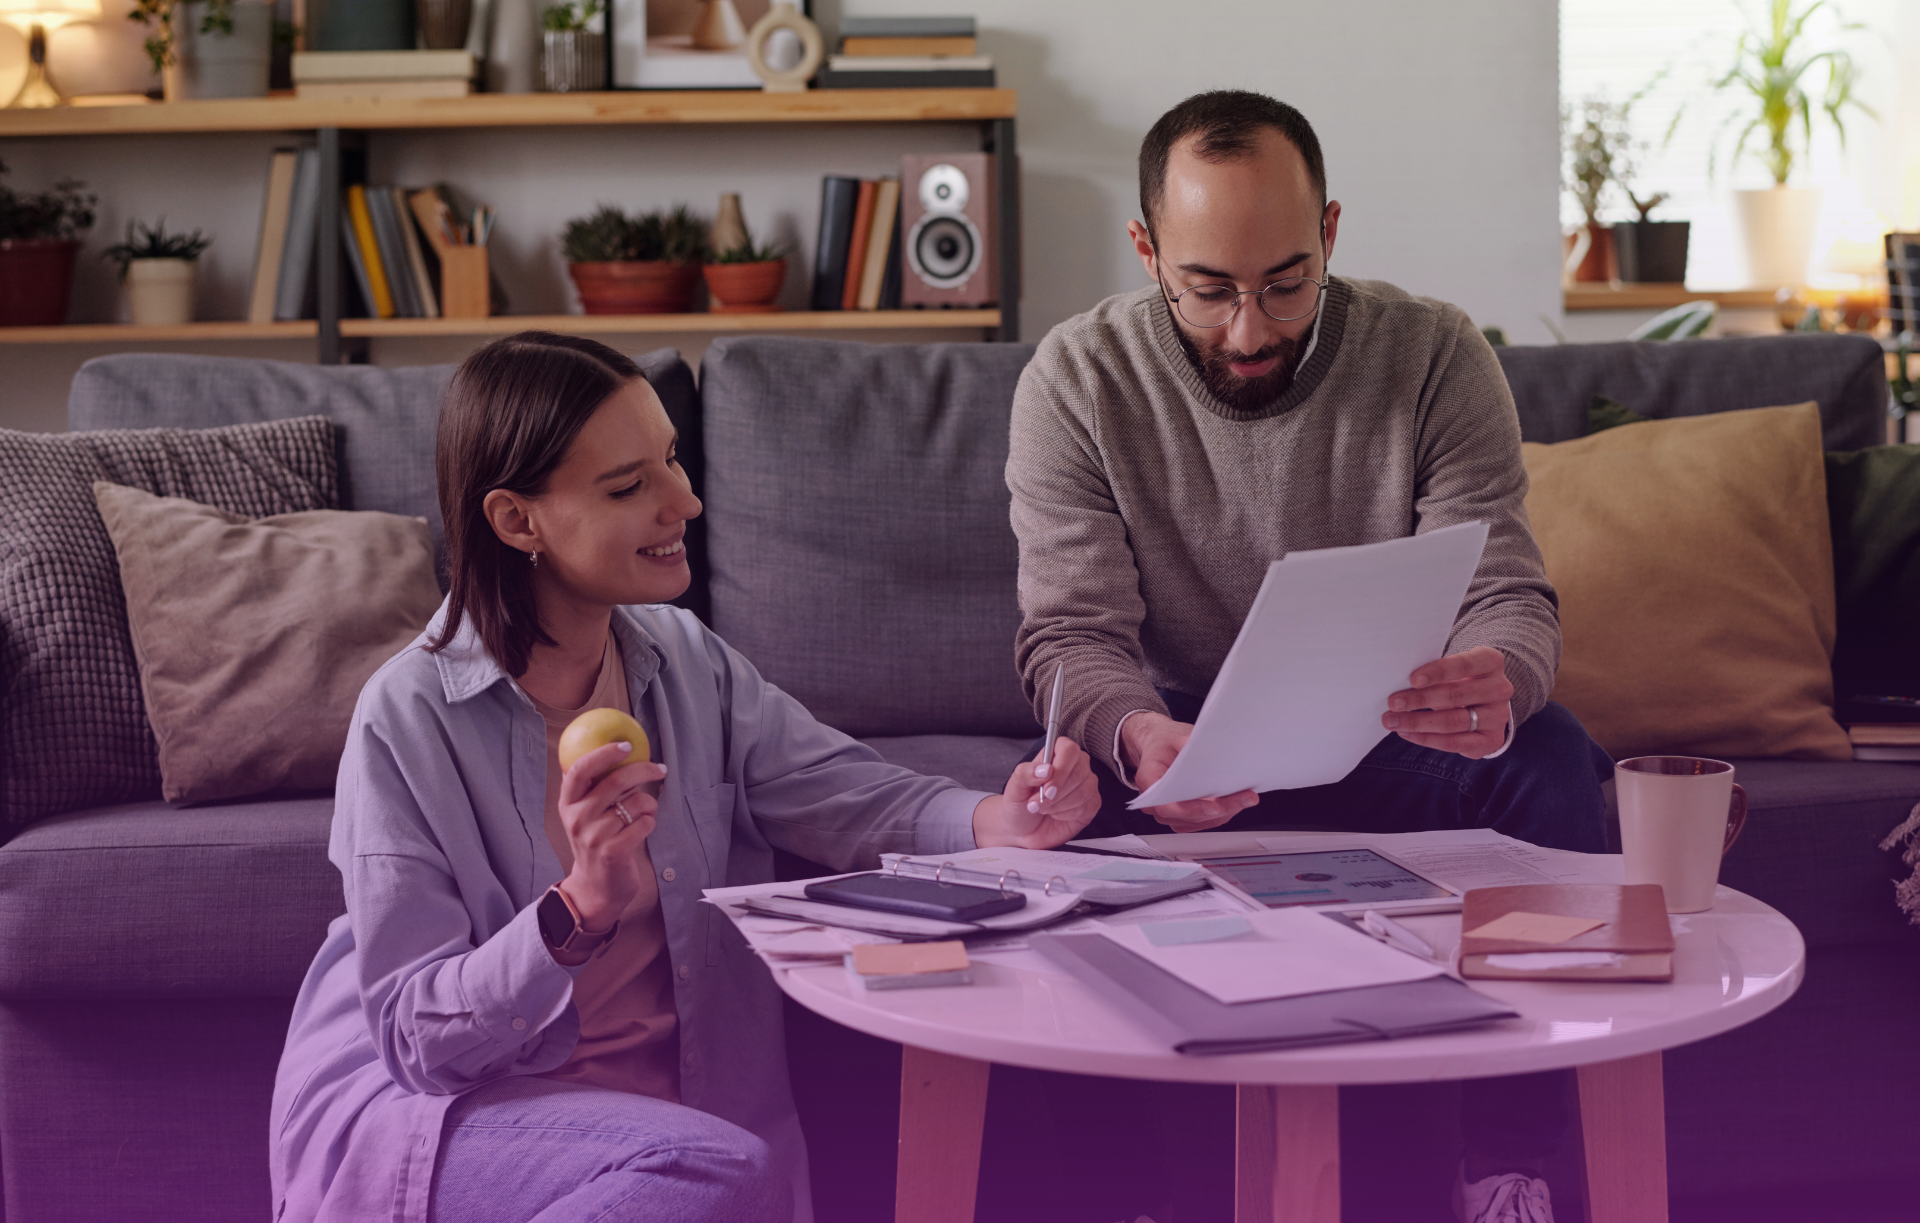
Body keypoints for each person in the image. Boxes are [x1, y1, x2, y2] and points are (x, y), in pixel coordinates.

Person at [269, 331, 1100, 1223]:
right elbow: (414, 1043)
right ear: (518, 521)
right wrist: (577, 906)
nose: (687, 501)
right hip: (462, 1115)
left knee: (713, 1172)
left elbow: (843, 790)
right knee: (709, 1173)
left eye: (669, 460)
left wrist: (997, 822)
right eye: (630, 486)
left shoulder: (684, 660)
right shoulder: (407, 717)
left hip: (687, 1136)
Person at [1005, 91, 1613, 1223]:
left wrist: (1497, 678)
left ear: (1330, 231)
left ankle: (1508, 1173)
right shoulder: (1075, 378)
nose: (1250, 328)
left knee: (1552, 754)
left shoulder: (1434, 352)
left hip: (1381, 730)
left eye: (1287, 281)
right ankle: (1122, 1198)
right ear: (1147, 251)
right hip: (1180, 747)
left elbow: (1508, 589)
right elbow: (1070, 637)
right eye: (1208, 289)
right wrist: (1137, 737)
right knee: (1051, 812)